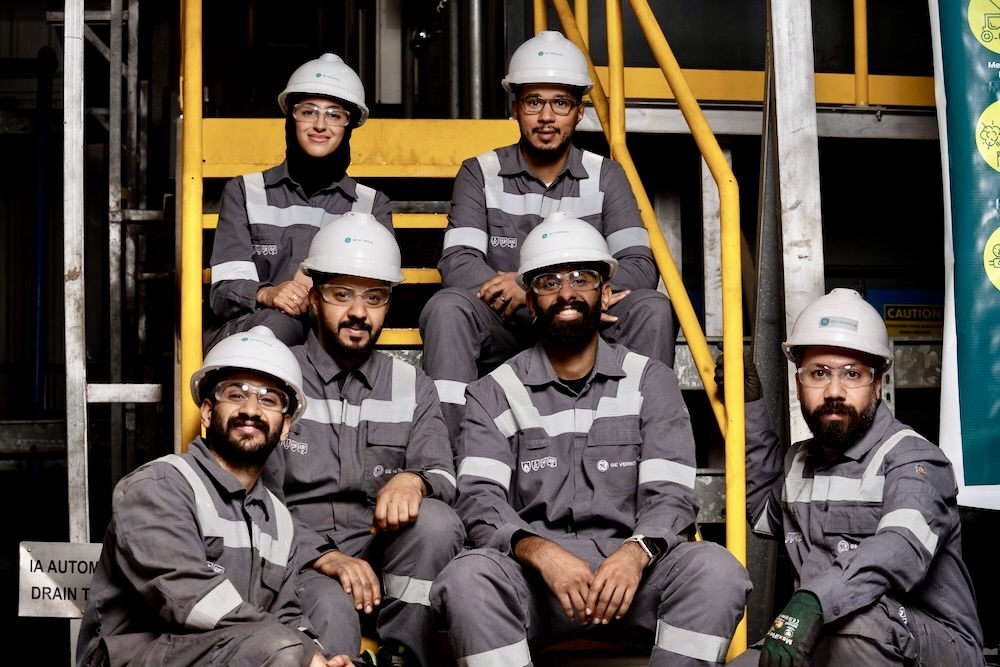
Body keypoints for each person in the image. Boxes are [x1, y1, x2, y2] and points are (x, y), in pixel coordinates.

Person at [430, 214, 752, 667]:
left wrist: (636, 553)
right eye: (549, 282)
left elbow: (671, 497)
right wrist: (541, 552)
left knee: (717, 571)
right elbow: (481, 502)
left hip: (634, 580)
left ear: (605, 293)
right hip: (535, 584)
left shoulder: (650, 382)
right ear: (530, 300)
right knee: (466, 579)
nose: (567, 293)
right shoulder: (494, 392)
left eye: (582, 278)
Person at [418, 30, 677, 445]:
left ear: (579, 111)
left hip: (582, 321)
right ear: (516, 108)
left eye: (561, 103)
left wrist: (563, 295)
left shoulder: (606, 175)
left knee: (652, 308)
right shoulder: (480, 172)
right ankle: (446, 457)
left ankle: (644, 447)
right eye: (534, 102)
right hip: (508, 324)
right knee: (448, 308)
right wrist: (530, 298)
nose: (546, 117)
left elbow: (640, 266)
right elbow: (458, 262)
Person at [717, 288, 985, 667]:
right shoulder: (799, 461)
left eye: (852, 374)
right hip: (829, 634)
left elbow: (901, 547)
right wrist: (749, 407)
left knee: (857, 621)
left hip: (930, 645)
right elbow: (763, 512)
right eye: (819, 373)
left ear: (877, 383)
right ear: (798, 382)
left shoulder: (913, 460)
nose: (834, 391)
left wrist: (814, 600)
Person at [77, 326, 359, 667]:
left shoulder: (279, 521)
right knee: (280, 647)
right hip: (131, 659)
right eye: (236, 395)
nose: (251, 409)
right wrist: (303, 652)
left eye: (269, 400)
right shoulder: (160, 487)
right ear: (208, 412)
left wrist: (323, 658)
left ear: (285, 427)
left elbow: (287, 616)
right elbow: (189, 599)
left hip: (240, 654)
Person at [262, 212, 464, 667]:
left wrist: (414, 480)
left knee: (437, 521)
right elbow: (253, 500)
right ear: (314, 298)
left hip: (383, 552)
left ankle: (404, 655)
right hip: (301, 557)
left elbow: (443, 474)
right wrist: (326, 557)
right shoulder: (276, 377)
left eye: (374, 297)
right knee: (331, 607)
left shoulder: (412, 384)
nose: (358, 312)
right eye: (342, 295)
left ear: (388, 303)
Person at [206, 52, 393, 351]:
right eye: (308, 111)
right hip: (251, 335)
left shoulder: (371, 205)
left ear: (349, 125)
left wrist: (316, 282)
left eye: (334, 115)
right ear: (291, 118)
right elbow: (222, 293)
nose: (320, 124)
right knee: (278, 324)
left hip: (334, 339)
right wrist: (268, 294)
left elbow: (372, 295)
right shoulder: (245, 191)